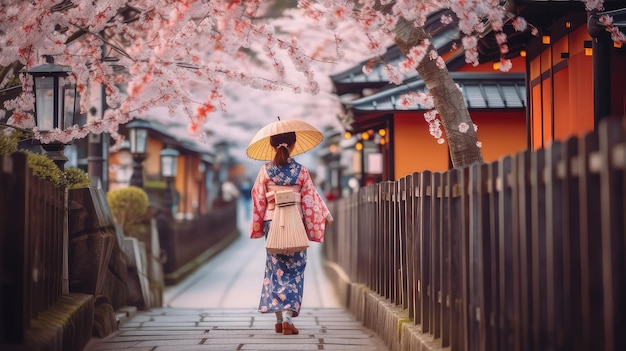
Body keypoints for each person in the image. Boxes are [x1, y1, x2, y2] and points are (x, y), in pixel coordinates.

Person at [249, 131, 333, 335]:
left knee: (275, 268)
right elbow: (310, 198)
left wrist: (258, 225)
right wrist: (325, 215)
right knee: (295, 269)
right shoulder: (301, 171)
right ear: (293, 145)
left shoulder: (265, 171)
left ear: (271, 145)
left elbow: (259, 199)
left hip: (272, 221)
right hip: (295, 220)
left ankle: (279, 321)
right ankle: (288, 318)